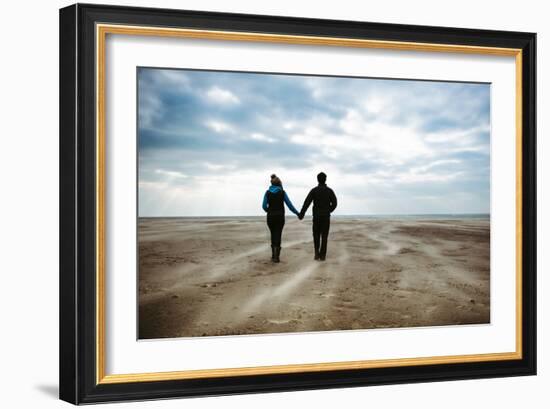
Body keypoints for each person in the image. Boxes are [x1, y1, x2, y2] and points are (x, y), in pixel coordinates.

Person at [299, 172, 337, 261]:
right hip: (325, 217)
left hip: (316, 217)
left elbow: (307, 202)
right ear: (325, 179)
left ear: (317, 179)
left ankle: (316, 253)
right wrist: (329, 210)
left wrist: (301, 214)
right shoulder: (329, 191)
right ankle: (322, 255)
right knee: (324, 236)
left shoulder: (314, 190)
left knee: (316, 235)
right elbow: (335, 203)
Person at [262, 174, 300, 262]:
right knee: (278, 234)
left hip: (270, 217)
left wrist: (269, 211)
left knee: (272, 234)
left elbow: (264, 206)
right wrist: (297, 213)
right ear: (279, 184)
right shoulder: (282, 192)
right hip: (280, 217)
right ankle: (276, 257)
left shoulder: (267, 192)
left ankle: (273, 255)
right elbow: (290, 205)